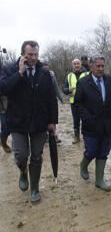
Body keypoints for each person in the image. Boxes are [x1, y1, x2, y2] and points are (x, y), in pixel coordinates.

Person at [0, 40, 58, 204]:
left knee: (37, 156)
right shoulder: (10, 69)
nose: (33, 58)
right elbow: (3, 88)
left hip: (40, 122)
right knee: (20, 156)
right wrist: (19, 73)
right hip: (18, 122)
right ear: (23, 54)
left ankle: (34, 189)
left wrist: (53, 121)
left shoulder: (45, 72)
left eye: (36, 54)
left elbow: (51, 98)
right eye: (30, 55)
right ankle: (23, 171)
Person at [75, 56, 111, 191]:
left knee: (104, 152)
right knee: (92, 150)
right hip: (91, 125)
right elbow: (78, 103)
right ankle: (84, 165)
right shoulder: (83, 82)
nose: (101, 69)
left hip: (108, 124)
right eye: (98, 66)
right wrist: (86, 118)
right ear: (91, 66)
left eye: (102, 66)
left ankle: (99, 180)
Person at [63, 58, 88, 143]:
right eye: (75, 64)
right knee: (76, 120)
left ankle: (87, 137)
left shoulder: (87, 74)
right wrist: (68, 89)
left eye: (78, 63)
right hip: (74, 102)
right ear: (72, 65)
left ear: (80, 64)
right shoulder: (69, 76)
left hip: (86, 102)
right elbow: (64, 89)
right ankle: (77, 137)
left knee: (86, 120)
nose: (76, 65)